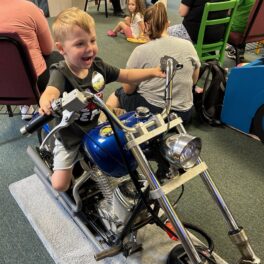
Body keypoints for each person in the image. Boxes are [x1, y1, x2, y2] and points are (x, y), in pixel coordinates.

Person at [39, 7, 165, 192]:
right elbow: (51, 90)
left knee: (125, 150)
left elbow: (127, 74)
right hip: (71, 135)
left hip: (98, 125)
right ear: (62, 49)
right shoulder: (61, 72)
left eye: (92, 40)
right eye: (80, 44)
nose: (89, 47)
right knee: (59, 185)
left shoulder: (98, 66)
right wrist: (47, 102)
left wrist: (153, 72)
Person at [106, 2, 200, 124]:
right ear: (168, 24)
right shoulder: (188, 45)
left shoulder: (140, 50)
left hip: (154, 113)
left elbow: (128, 90)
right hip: (184, 114)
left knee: (118, 93)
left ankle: (104, 124)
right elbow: (194, 80)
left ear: (145, 26)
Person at [0, 0, 62, 119]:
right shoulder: (28, 8)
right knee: (58, 58)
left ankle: (25, 105)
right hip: (33, 82)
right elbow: (47, 49)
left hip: (2, 85)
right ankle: (55, 108)